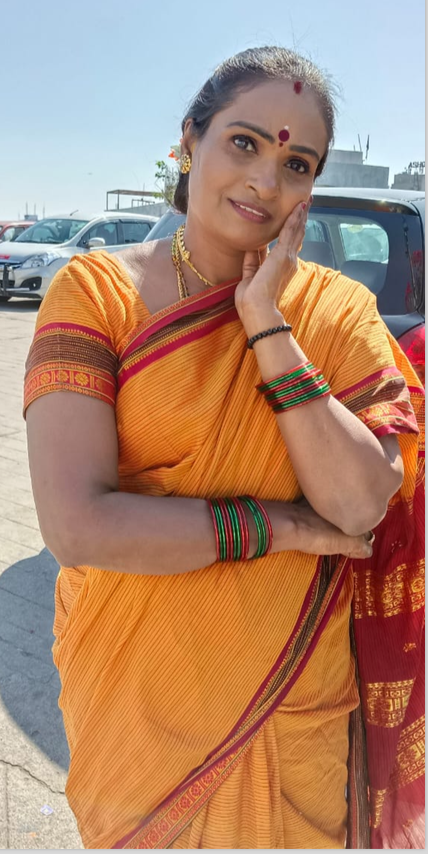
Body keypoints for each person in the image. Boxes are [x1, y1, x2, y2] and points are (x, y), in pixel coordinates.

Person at [24, 46, 424, 850]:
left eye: (297, 163)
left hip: (290, 710)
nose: (266, 181)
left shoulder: (337, 313)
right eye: (244, 142)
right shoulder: (96, 294)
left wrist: (269, 326)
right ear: (189, 140)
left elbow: (356, 505)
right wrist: (281, 526)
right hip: (138, 704)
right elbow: (77, 525)